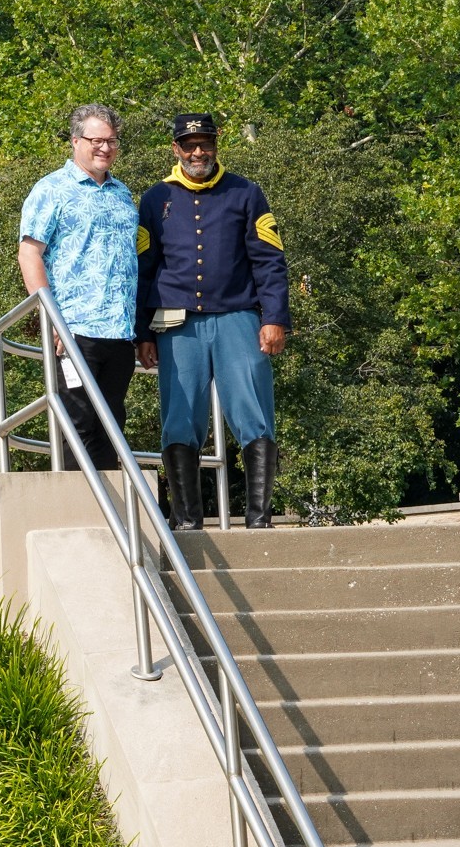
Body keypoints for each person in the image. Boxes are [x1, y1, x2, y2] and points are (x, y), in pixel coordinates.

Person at [135, 114, 290, 530]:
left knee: (252, 411)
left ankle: (259, 518)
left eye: (205, 143)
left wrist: (274, 317)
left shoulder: (246, 192)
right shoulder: (154, 199)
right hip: (175, 323)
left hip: (237, 317)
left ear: (216, 145)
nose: (198, 152)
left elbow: (270, 262)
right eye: (189, 145)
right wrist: (142, 333)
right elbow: (143, 268)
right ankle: (188, 521)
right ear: (176, 149)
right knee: (180, 416)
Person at [17, 103, 142, 469]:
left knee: (111, 424)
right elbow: (29, 255)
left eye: (112, 141)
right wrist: (52, 319)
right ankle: (82, 516)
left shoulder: (123, 194)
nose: (105, 148)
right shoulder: (51, 189)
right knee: (80, 423)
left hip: (119, 332)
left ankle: (110, 522)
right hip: (73, 330)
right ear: (76, 141)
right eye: (96, 140)